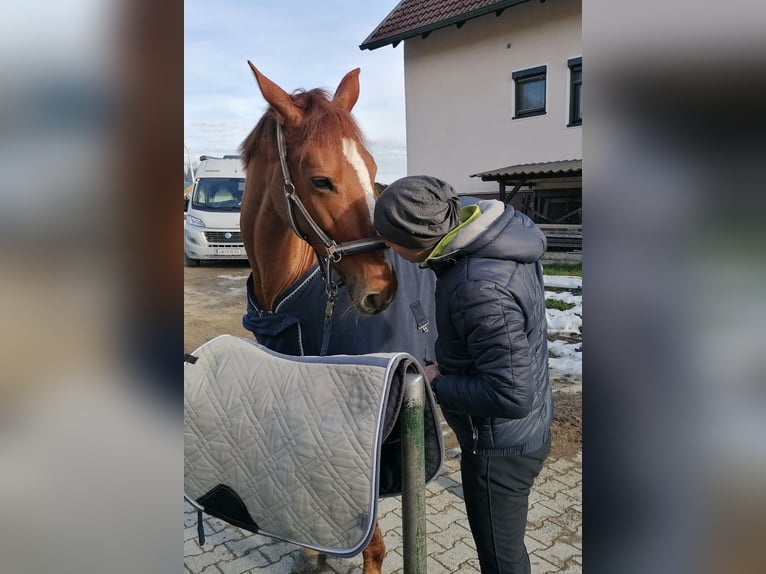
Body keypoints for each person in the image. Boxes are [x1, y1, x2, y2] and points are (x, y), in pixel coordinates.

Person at [373, 175, 554, 574]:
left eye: (390, 238)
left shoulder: (478, 287)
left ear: (416, 238)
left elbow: (511, 395)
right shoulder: (487, 239)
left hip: (500, 449)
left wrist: (437, 383)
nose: (386, 246)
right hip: (526, 429)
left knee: (502, 562)